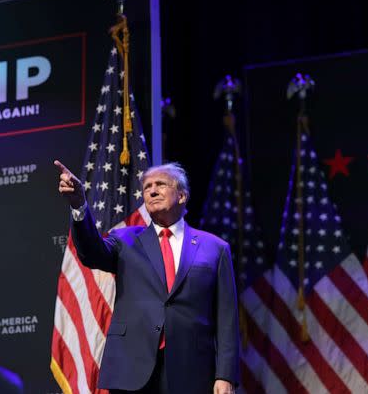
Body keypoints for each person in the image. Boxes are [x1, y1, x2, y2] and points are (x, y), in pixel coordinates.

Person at [55, 160, 240, 394]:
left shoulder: (215, 247)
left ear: (182, 195)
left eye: (161, 184)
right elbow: (91, 252)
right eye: (147, 187)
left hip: (192, 370)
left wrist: (225, 375)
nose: (152, 191)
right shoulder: (125, 239)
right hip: (132, 368)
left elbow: (227, 318)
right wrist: (79, 205)